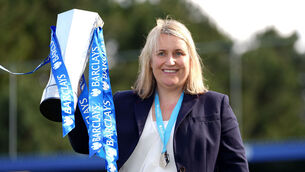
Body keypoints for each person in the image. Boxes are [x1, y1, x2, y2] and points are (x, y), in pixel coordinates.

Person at [68, 18, 249, 172]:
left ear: (190, 60)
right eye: (161, 53)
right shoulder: (121, 103)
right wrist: (73, 93)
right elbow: (83, 143)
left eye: (178, 53)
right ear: (150, 61)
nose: (170, 61)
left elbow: (236, 166)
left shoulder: (215, 105)